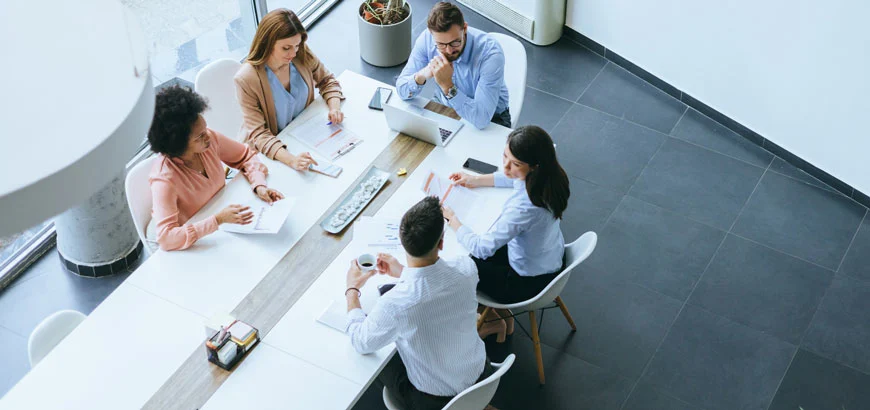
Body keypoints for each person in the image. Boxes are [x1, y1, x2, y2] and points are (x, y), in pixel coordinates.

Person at [345, 197, 493, 410]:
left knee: (376, 359)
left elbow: (360, 342)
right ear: (441, 242)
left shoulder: (395, 305)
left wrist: (352, 290)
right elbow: (434, 288)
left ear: (402, 241)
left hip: (433, 403)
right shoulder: (467, 268)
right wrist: (403, 273)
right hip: (481, 377)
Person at [443, 126, 570, 336]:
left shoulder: (525, 208)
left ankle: (493, 321)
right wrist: (475, 180)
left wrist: (454, 220)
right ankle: (495, 317)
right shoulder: (549, 178)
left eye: (515, 163)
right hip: (549, 258)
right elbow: (513, 178)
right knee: (472, 254)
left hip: (525, 282)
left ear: (534, 166)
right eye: (505, 156)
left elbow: (482, 248)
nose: (506, 166)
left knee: (458, 267)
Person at [147, 85, 284, 251]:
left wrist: (259, 185)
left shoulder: (209, 139)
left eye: (204, 128)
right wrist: (217, 220)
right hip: (190, 244)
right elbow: (167, 239)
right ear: (179, 144)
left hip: (222, 225)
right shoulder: (164, 180)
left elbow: (246, 156)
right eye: (200, 136)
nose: (208, 136)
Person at [235, 8, 344, 172]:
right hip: (273, 150)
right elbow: (259, 134)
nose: (293, 53)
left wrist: (334, 108)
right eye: (286, 48)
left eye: (297, 45)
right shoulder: (247, 79)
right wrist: (292, 160)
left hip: (304, 135)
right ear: (268, 43)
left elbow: (326, 80)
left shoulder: (300, 52)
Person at [396, 2, 510, 129]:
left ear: (465, 29)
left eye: (455, 42)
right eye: (441, 44)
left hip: (492, 117)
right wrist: (422, 75)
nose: (449, 51)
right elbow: (401, 90)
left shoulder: (490, 54)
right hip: (444, 104)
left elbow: (482, 119)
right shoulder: (426, 39)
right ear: (431, 34)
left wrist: (447, 86)